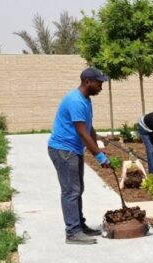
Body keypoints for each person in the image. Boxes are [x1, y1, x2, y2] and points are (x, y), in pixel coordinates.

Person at [47, 67, 112, 245]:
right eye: (99, 83)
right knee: (71, 191)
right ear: (87, 81)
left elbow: (89, 128)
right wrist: (98, 157)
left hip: (72, 150)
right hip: (63, 150)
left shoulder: (85, 100)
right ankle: (73, 232)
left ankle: (79, 225)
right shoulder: (76, 101)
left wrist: (98, 147)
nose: (101, 86)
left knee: (77, 189)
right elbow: (82, 133)